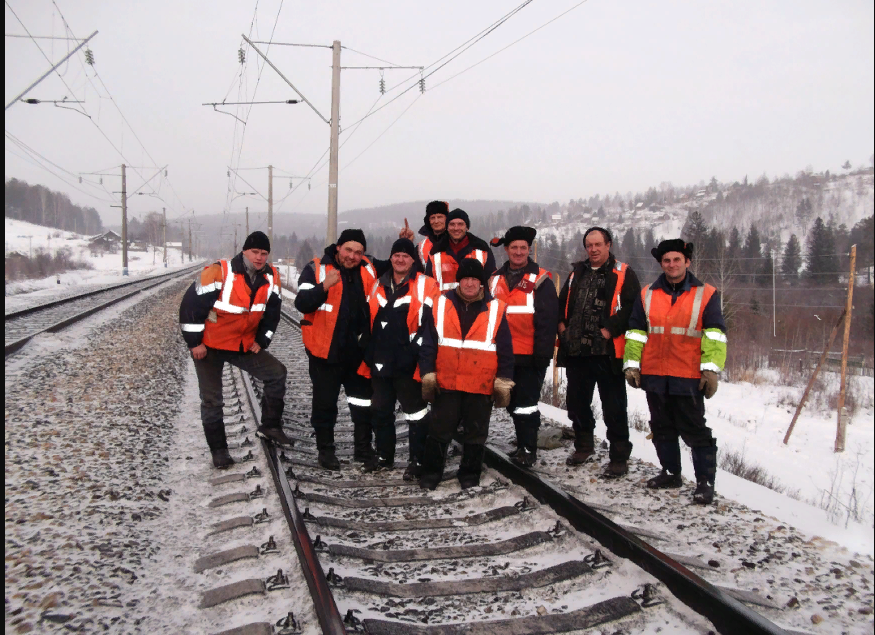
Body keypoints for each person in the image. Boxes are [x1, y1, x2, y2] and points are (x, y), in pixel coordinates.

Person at [623, 239, 726, 505]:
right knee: (661, 427)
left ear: (687, 262)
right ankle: (670, 473)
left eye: (677, 259)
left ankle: (705, 483)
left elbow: (715, 334)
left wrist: (710, 370)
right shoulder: (647, 294)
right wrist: (632, 364)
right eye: (666, 260)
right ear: (661, 264)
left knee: (695, 430)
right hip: (655, 373)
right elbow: (636, 331)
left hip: (688, 375)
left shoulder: (706, 294)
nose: (672, 264)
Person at [179, 231, 291, 469]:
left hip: (242, 345)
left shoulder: (272, 277)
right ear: (244, 251)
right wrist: (194, 343)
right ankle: (219, 451)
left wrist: (262, 340)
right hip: (210, 346)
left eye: (264, 253)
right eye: (255, 252)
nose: (259, 257)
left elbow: (273, 313)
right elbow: (190, 307)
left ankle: (270, 426)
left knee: (276, 373)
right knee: (212, 400)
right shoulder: (218, 272)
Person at [294, 229, 391, 470]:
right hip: (325, 352)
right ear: (338, 248)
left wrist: (405, 242)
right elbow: (302, 302)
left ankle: (363, 449)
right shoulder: (316, 269)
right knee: (325, 405)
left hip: (358, 354)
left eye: (358, 252)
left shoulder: (369, 267)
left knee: (362, 403)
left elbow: (398, 263)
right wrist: (324, 286)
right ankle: (326, 451)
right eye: (348, 250)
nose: (352, 256)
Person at [418, 259, 515, 490]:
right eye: (465, 279)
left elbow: (505, 349)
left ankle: (470, 475)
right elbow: (428, 343)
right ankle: (431, 474)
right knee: (439, 431)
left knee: (476, 433)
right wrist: (428, 373)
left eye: (474, 279)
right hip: (447, 382)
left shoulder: (496, 309)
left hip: (480, 384)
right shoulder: (440, 304)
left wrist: (503, 380)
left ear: (481, 283)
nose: (470, 283)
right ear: (458, 281)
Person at [557, 227, 641, 477]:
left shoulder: (623, 273)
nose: (593, 250)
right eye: (589, 245)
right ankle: (584, 446)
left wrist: (609, 329)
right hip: (577, 351)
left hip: (606, 353)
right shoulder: (576, 272)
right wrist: (562, 328)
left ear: (608, 245)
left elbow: (633, 308)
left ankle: (619, 456)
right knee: (576, 404)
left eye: (598, 245)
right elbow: (561, 303)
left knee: (614, 408)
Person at [357, 238, 440, 478]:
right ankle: (385, 457)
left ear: (413, 260)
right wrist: (367, 349)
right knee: (381, 411)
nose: (400, 259)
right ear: (391, 257)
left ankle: (417, 461)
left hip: (409, 363)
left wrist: (417, 353)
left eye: (405, 255)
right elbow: (369, 319)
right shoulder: (378, 284)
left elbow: (432, 325)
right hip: (381, 361)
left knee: (416, 413)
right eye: (396, 255)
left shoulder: (427, 285)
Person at [487, 226, 558, 467]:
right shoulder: (494, 279)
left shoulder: (541, 279)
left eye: (523, 248)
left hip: (529, 356)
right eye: (514, 247)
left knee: (525, 405)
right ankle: (521, 444)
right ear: (506, 250)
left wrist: (542, 356)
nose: (518, 252)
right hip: (499, 355)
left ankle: (528, 450)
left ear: (529, 250)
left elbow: (548, 321)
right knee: (511, 404)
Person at [424, 208, 497, 292]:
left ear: (467, 227)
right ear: (447, 228)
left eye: (460, 224)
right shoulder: (435, 254)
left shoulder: (483, 251)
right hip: (443, 300)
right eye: (452, 224)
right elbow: (428, 287)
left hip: (476, 300)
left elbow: (492, 285)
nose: (456, 228)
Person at [399, 200, 449, 268]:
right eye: (432, 218)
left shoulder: (455, 241)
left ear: (447, 219)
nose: (436, 221)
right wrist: (406, 242)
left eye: (440, 217)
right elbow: (408, 267)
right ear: (428, 221)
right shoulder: (421, 247)